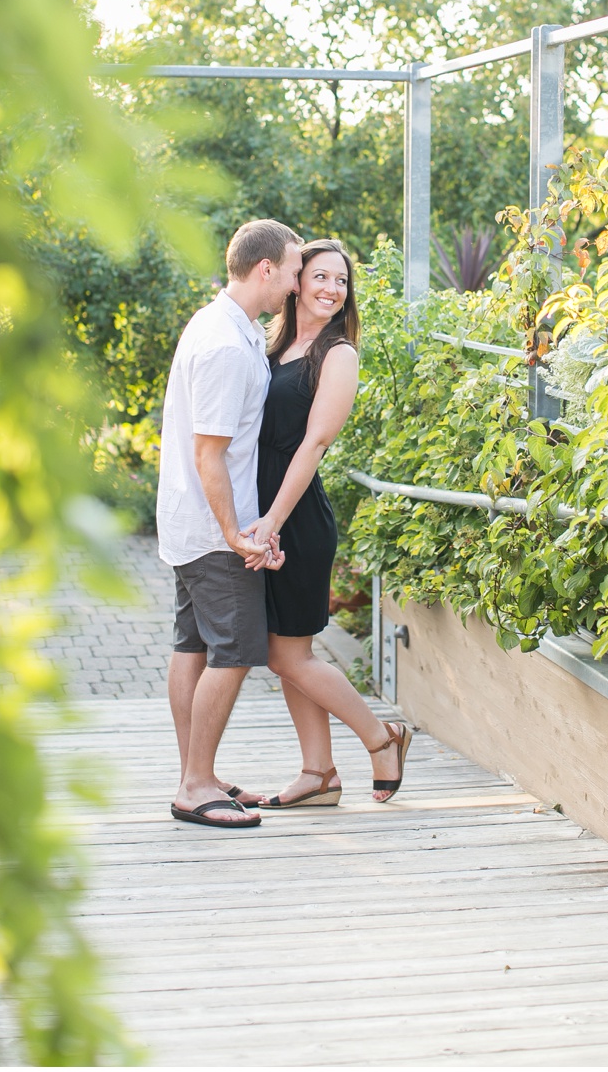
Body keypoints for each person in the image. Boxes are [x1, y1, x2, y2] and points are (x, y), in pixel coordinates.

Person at [248, 238, 410, 807]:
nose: (330, 289)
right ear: (295, 282)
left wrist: (271, 521)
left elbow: (315, 442)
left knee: (286, 653)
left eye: (341, 281)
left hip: (294, 518)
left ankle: (380, 738)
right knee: (287, 650)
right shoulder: (277, 344)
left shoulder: (338, 355)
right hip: (264, 513)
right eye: (319, 276)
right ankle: (319, 774)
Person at [159, 219, 301, 830]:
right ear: (265, 268)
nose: (297, 284)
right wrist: (235, 534)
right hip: (216, 529)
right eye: (295, 271)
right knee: (235, 651)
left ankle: (199, 772)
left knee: (192, 645)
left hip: (193, 526)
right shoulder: (221, 343)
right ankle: (195, 785)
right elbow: (208, 453)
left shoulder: (227, 327)